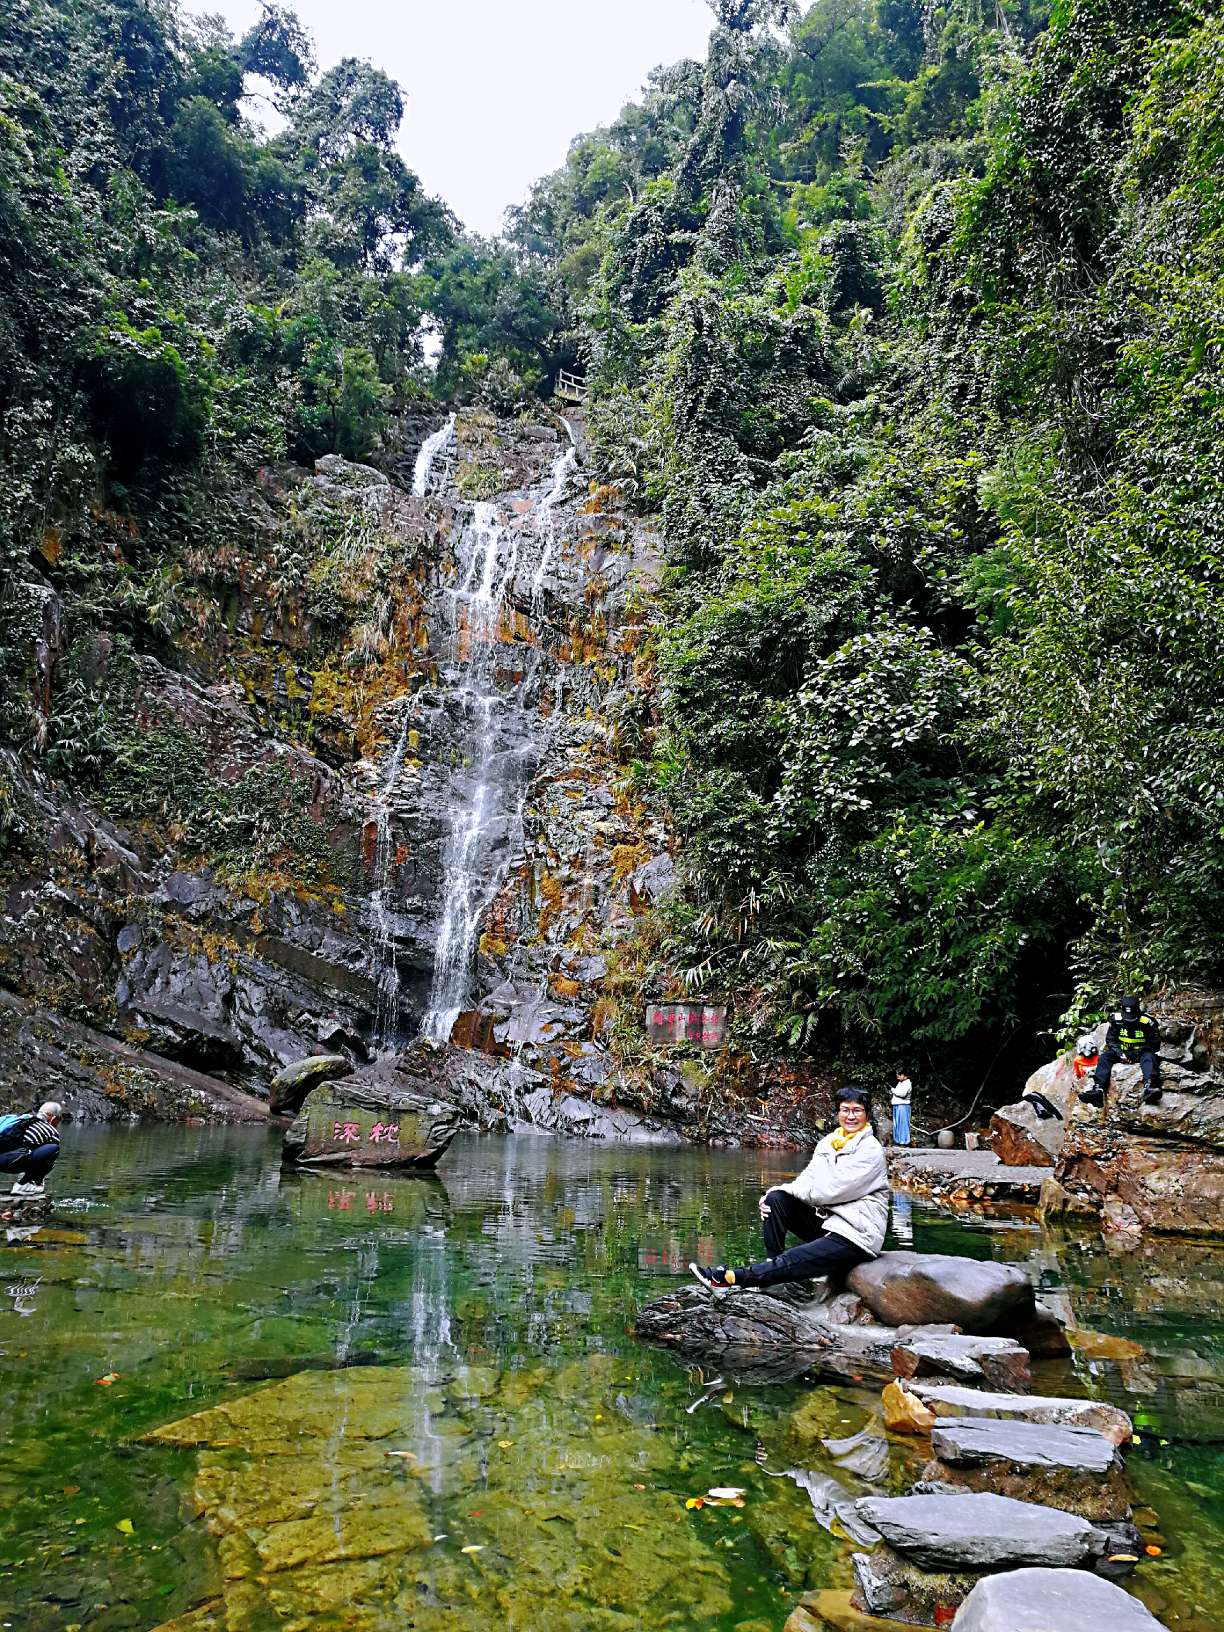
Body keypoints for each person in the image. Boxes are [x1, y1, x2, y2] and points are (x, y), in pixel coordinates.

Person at [690, 1086, 889, 1290]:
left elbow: (828, 1192)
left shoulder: (870, 1150)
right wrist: (776, 1192)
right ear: (838, 1112)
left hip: (856, 1234)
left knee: (795, 1256)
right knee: (775, 1200)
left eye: (857, 1110)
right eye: (845, 1110)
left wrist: (789, 1190)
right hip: (829, 1223)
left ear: (867, 1115)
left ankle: (727, 1278)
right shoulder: (830, 1142)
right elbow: (807, 1180)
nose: (850, 1116)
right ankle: (771, 1269)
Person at [1080, 997, 1161, 1107]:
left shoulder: (1148, 1022)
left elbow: (1155, 1045)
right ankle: (1098, 1090)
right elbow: (1111, 1040)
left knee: (1150, 1057)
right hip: (1122, 1052)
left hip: (1141, 1052)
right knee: (1104, 1057)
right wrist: (1120, 1053)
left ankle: (1149, 1087)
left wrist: (1136, 1055)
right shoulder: (1115, 1019)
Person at [0, 1103, 63, 1197]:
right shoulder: (51, 1131)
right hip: (11, 1161)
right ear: (53, 1118)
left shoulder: (19, 1119)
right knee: (53, 1149)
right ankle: (25, 1184)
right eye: (58, 1120)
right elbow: (47, 1161)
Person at [891, 1068, 912, 1146]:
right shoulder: (900, 1083)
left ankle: (904, 1142)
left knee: (902, 1124)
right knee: (897, 1124)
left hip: (902, 1105)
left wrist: (893, 1090)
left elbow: (902, 1094)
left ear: (904, 1075)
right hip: (897, 1105)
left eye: (899, 1075)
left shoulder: (907, 1083)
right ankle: (898, 1141)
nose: (898, 1076)